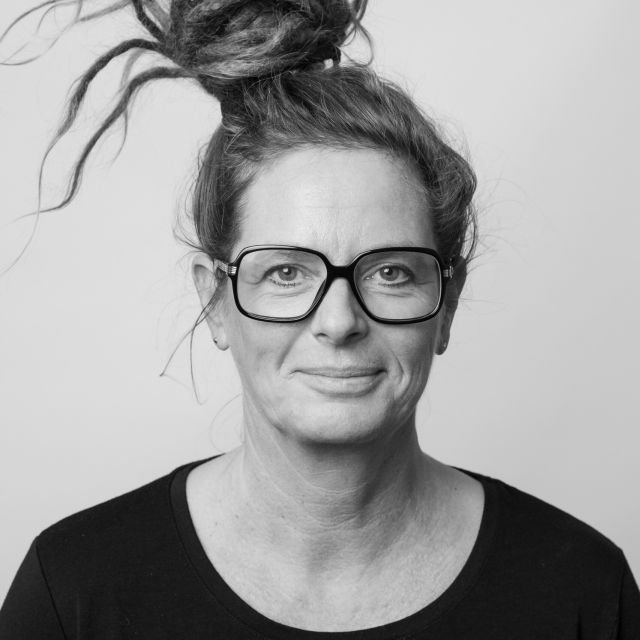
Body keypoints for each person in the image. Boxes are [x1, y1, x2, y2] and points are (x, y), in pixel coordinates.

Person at [1, 0, 639, 637]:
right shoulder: (74, 588)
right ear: (215, 300)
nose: (339, 322)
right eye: (286, 272)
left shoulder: (583, 588)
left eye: (390, 272)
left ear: (446, 304)